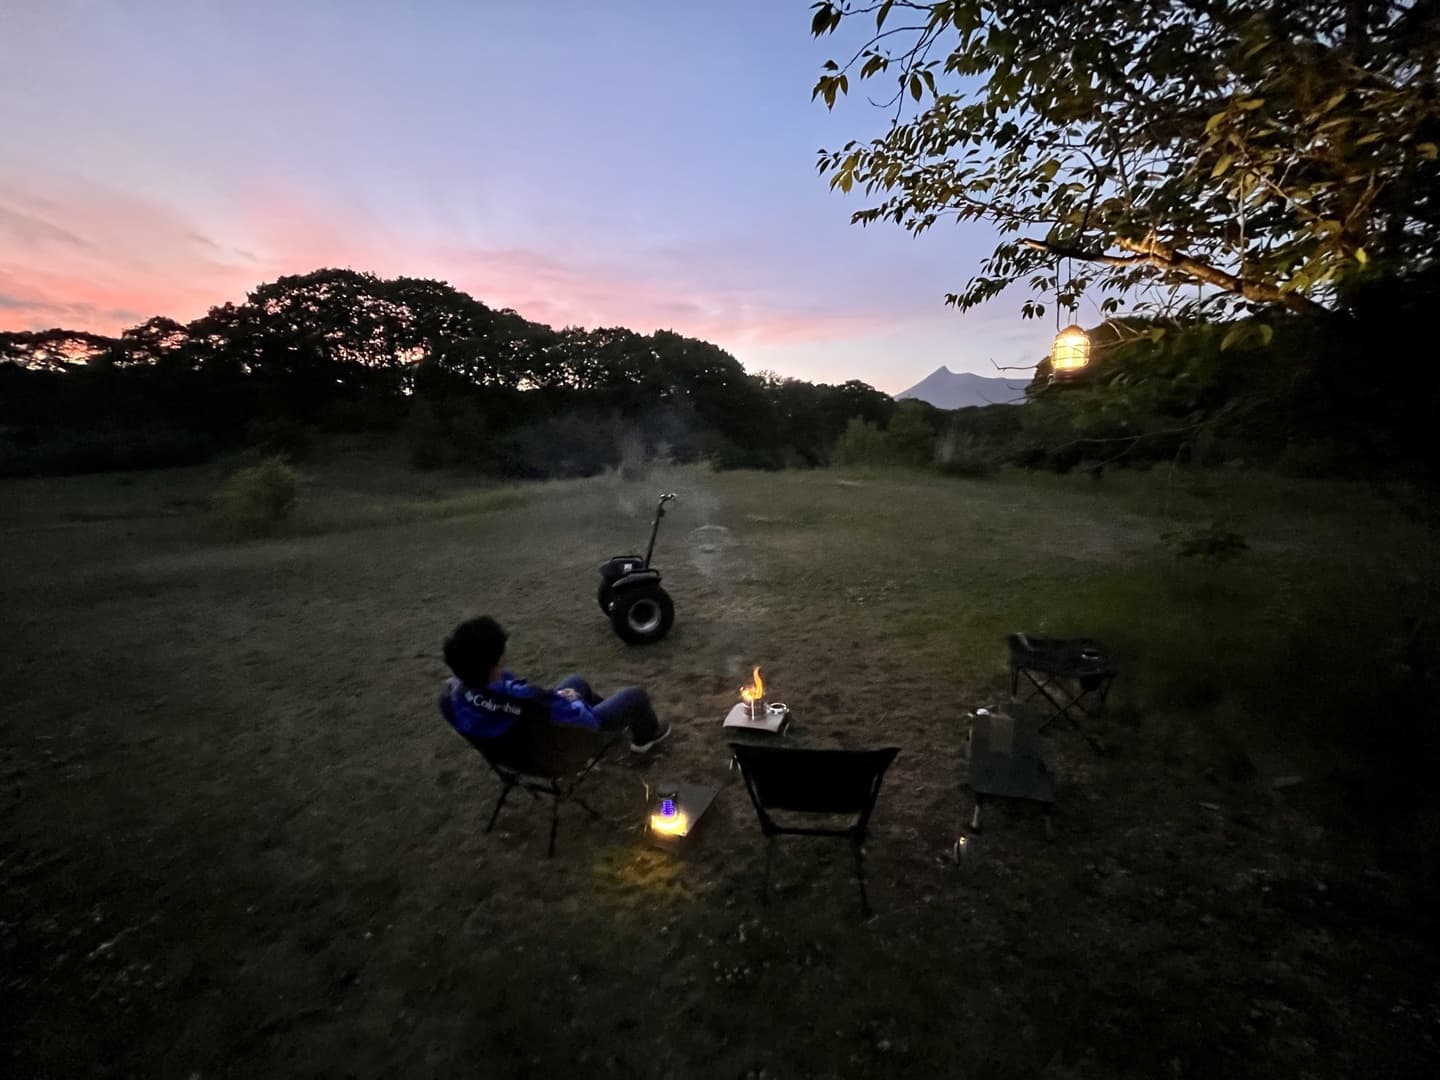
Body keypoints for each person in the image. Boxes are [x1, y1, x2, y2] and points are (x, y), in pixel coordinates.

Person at [441, 615, 671, 753]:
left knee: (576, 681)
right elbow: (585, 721)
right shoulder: (531, 700)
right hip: (560, 749)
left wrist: (561, 698)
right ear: (494, 661)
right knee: (635, 695)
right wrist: (573, 702)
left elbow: (520, 702)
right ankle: (645, 738)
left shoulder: (454, 695)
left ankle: (615, 723)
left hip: (517, 749)